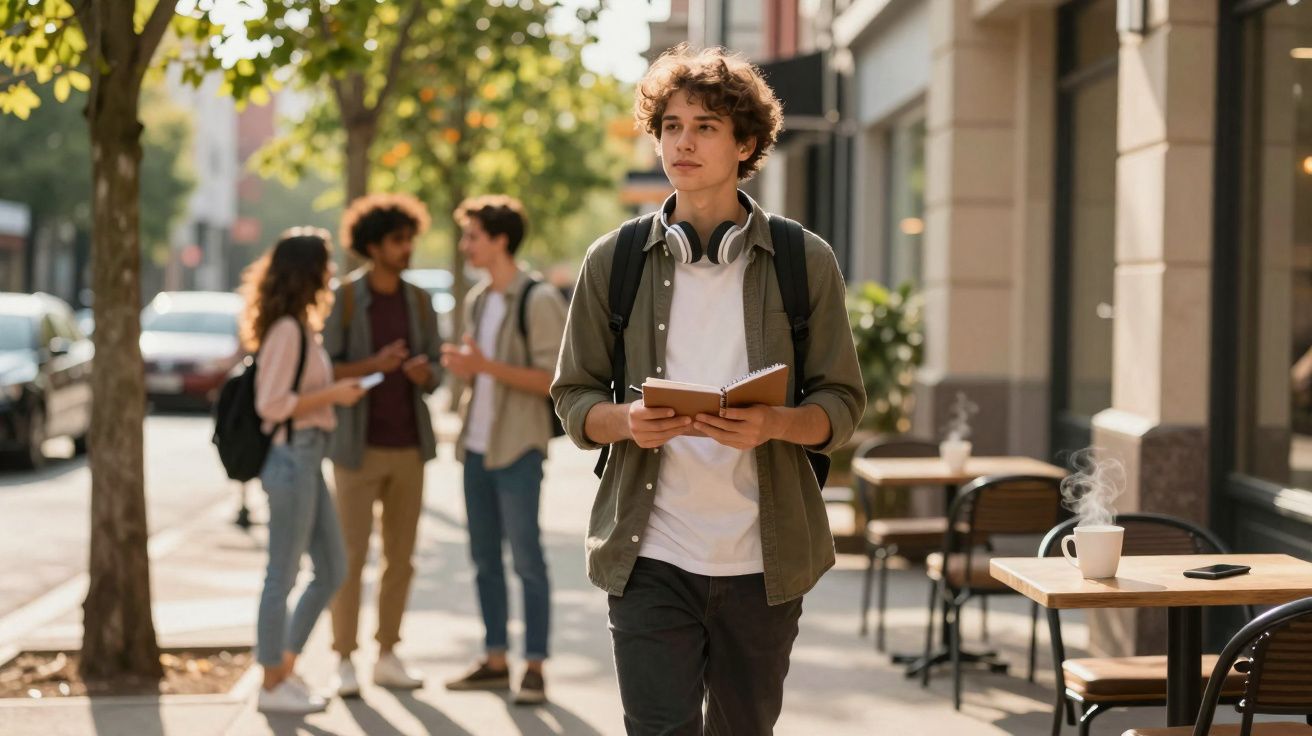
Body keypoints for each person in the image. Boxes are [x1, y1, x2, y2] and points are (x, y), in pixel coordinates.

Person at [550, 45, 866, 734]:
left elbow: (841, 406)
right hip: (650, 554)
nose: (682, 142)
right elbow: (572, 397)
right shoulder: (615, 260)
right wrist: (625, 420)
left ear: (745, 143)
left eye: (705, 126)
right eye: (670, 125)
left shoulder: (804, 260)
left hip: (764, 560)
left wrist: (777, 425)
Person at [440, 195, 567, 705]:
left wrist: (486, 367)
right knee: (483, 560)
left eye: (472, 235)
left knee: (528, 561)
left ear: (498, 240)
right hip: (475, 447)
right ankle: (495, 659)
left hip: (518, 448)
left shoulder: (537, 299)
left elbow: (554, 381)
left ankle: (534, 666)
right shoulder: (478, 300)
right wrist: (470, 371)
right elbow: (481, 368)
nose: (464, 245)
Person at [323, 193, 443, 696]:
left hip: (409, 447)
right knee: (348, 556)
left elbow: (436, 372)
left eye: (410, 237)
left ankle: (387, 653)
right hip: (356, 447)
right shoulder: (345, 299)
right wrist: (373, 364)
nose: (407, 247)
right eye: (398, 240)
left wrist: (422, 373)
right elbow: (324, 368)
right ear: (373, 246)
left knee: (402, 557)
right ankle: (344, 658)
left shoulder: (419, 300)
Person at [242, 227, 366, 714]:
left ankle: (283, 668)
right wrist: (333, 396)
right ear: (307, 272)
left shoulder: (298, 324)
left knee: (333, 567)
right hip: (291, 457)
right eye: (326, 263)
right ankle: (272, 684)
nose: (332, 272)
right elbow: (271, 404)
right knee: (283, 574)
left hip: (308, 457)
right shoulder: (287, 330)